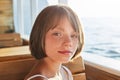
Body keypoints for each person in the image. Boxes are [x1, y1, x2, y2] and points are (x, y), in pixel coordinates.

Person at [24, 5, 84, 80]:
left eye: (73, 35)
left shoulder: (65, 72)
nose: (69, 42)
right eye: (57, 34)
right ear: (39, 36)